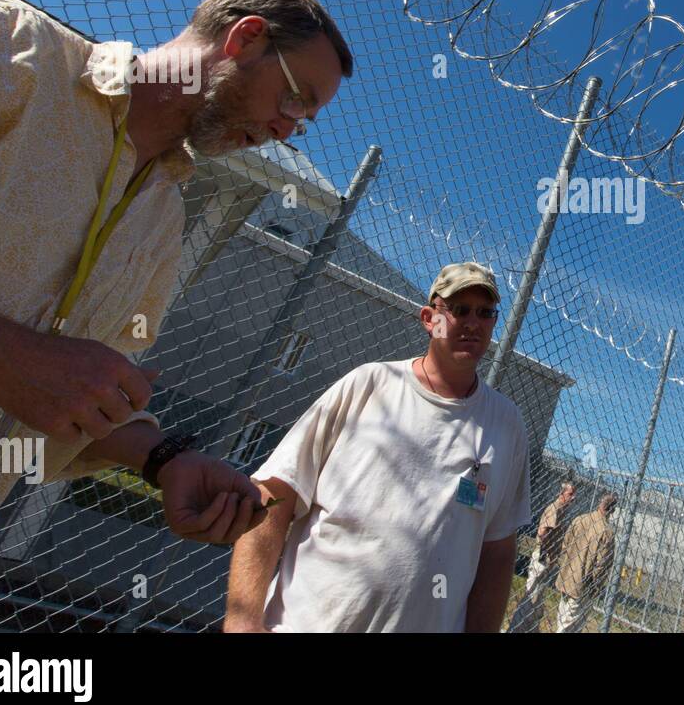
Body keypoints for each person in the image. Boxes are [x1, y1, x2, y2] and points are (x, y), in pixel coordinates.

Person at [0, 0, 352, 549]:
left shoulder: (162, 223)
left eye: (302, 123)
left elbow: (75, 396)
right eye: (294, 98)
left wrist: (162, 459)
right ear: (246, 38)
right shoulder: (8, 51)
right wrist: (0, 354)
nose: (285, 130)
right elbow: (32, 369)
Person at [224, 262, 532, 632]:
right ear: (429, 318)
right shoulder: (369, 386)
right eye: (459, 310)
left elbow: (497, 553)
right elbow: (275, 494)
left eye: (485, 313)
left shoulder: (506, 424)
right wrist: (242, 621)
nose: (473, 323)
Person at [508, 479, 577, 632]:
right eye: (570, 494)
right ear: (562, 494)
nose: (573, 498)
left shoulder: (562, 510)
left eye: (574, 495)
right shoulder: (555, 508)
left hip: (547, 560)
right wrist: (548, 551)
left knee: (537, 604)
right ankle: (515, 629)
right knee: (531, 601)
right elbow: (542, 532)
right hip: (542, 558)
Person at [553, 492, 617, 634]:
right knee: (570, 627)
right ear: (612, 510)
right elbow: (601, 566)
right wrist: (595, 587)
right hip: (583, 585)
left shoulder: (580, 519)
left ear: (600, 504)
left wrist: (566, 564)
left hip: (566, 576)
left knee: (563, 618)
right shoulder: (607, 532)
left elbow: (565, 544)